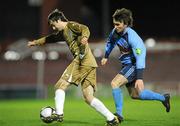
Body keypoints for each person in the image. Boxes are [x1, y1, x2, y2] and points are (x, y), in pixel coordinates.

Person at [28, 9, 119, 126]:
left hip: (82, 61)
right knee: (88, 97)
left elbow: (85, 28)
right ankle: (112, 119)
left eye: (53, 25)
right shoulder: (63, 33)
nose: (53, 28)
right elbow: (50, 38)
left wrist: (85, 37)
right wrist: (36, 42)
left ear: (58, 20)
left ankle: (59, 114)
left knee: (60, 85)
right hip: (90, 63)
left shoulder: (70, 26)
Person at [101, 8, 170, 122]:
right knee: (136, 95)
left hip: (133, 65)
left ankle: (118, 115)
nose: (115, 26)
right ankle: (164, 98)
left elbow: (140, 57)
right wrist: (106, 56)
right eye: (114, 24)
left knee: (114, 83)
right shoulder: (115, 32)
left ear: (125, 24)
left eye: (118, 24)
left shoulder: (133, 37)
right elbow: (110, 42)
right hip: (126, 65)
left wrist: (139, 78)